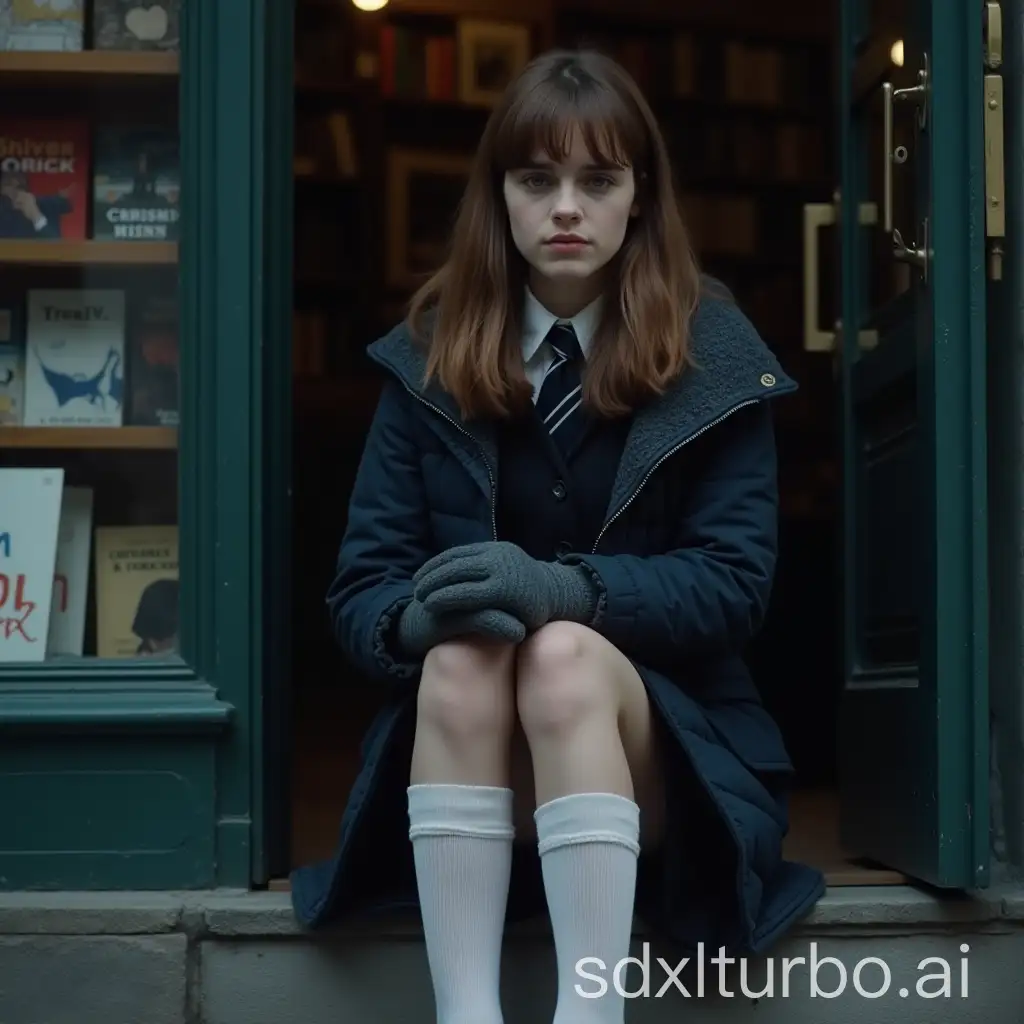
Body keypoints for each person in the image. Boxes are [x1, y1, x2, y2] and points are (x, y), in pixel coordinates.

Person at [290, 47, 826, 1022]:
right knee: (459, 657)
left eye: (597, 179)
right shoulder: (425, 360)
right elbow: (360, 587)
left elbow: (734, 584)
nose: (566, 207)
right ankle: (467, 1014)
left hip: (666, 772)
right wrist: (418, 619)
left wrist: (566, 592)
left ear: (638, 196)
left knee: (562, 656)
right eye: (538, 180)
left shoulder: (716, 355)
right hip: (477, 765)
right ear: (500, 197)